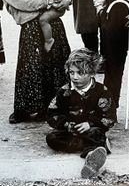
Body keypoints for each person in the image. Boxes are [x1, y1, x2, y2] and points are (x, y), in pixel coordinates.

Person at [0, 0, 71, 124]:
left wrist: (67, 0)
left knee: (55, 65)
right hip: (30, 30)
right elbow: (24, 2)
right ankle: (30, 109)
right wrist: (49, 3)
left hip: (52, 28)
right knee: (32, 69)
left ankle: (58, 105)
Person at [46, 48, 116, 179]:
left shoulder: (102, 91)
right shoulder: (64, 91)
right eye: (71, 72)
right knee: (51, 138)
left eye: (80, 73)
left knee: (95, 133)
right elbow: (52, 113)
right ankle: (97, 146)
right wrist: (66, 124)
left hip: (91, 129)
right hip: (70, 132)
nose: (75, 77)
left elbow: (110, 117)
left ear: (91, 73)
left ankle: (91, 157)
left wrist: (89, 124)